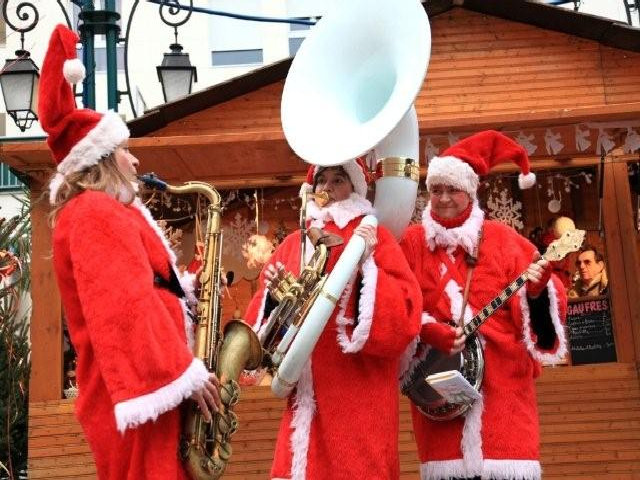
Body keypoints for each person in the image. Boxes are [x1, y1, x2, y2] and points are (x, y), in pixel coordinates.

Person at [42, 25, 220, 479]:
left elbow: (142, 290)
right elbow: (126, 309)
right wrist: (186, 371)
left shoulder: (100, 213)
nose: (136, 161)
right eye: (124, 149)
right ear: (99, 159)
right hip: (142, 402)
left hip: (144, 397)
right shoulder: (94, 213)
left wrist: (191, 290)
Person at [400, 131, 568, 480]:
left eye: (453, 190)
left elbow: (544, 317)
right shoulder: (412, 242)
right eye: (435, 190)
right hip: (439, 399)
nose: (443, 199)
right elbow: (396, 303)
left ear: (471, 192)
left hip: (503, 396)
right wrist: (429, 329)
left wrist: (537, 293)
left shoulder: (505, 239)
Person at [244, 159, 422, 480]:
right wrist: (275, 298)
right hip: (302, 402)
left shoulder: (375, 238)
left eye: (338, 180)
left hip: (357, 398)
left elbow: (404, 319)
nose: (327, 188)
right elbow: (261, 331)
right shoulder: (292, 244)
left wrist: (368, 269)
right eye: (321, 180)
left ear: (354, 187)